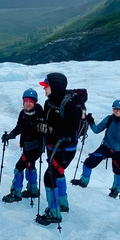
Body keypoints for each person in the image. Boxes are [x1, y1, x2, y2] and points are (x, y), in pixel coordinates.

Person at [36, 71, 84, 226]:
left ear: (55, 87)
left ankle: (54, 212)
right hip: (53, 147)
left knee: (49, 177)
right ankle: (63, 204)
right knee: (58, 174)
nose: (44, 88)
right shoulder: (49, 102)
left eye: (46, 86)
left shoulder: (68, 105)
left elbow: (70, 130)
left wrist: (50, 130)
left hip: (65, 150)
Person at [72, 99, 120, 198]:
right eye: (115, 109)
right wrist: (91, 122)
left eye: (119, 109)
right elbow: (97, 130)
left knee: (118, 172)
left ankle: (115, 190)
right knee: (88, 162)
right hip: (106, 148)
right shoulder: (109, 119)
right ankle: (83, 182)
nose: (117, 111)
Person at [0, 88, 45, 203]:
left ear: (35, 102)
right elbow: (19, 127)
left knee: (19, 167)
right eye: (26, 101)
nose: (28, 103)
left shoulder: (40, 114)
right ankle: (33, 190)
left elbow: (44, 131)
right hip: (27, 146)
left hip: (35, 148)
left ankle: (16, 193)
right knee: (30, 166)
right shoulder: (23, 113)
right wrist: (11, 135)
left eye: (31, 101)